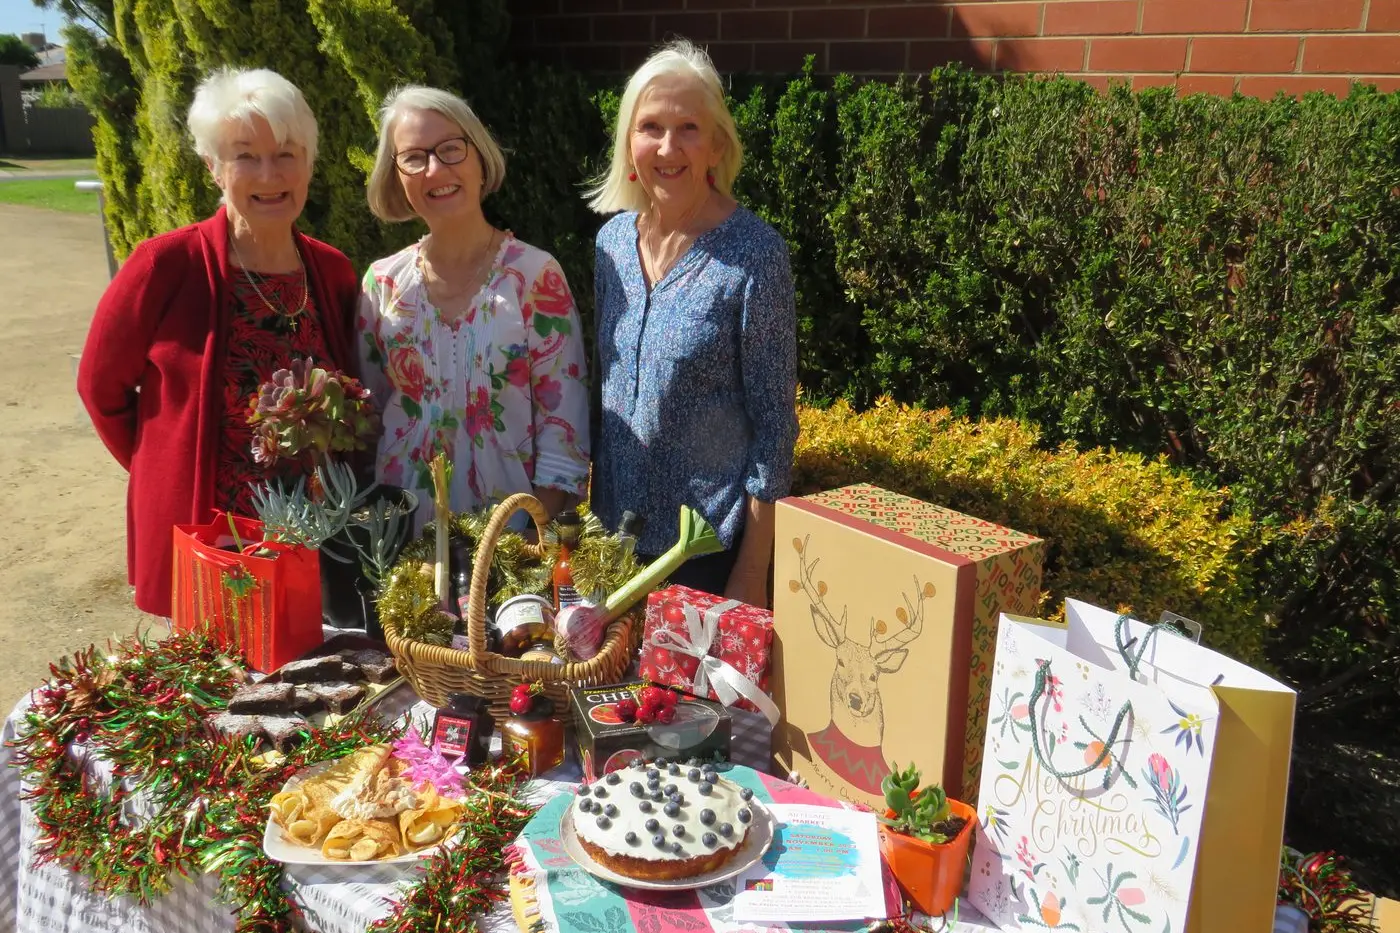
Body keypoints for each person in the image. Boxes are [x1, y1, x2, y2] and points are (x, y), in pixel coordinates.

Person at [77, 68, 360, 619]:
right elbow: (99, 387)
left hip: (314, 541)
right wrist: (164, 464)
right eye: (244, 155)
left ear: (309, 162)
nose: (268, 173)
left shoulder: (332, 272)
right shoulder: (164, 265)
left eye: (285, 153)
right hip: (211, 542)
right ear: (213, 167)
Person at [587, 41, 799, 607]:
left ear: (716, 145)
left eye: (687, 127)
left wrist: (751, 574)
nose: (667, 146)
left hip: (703, 558)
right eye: (650, 126)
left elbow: (774, 428)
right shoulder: (611, 245)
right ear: (629, 144)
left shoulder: (754, 254)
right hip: (609, 547)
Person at [359, 86, 589, 528]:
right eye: (413, 158)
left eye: (450, 149)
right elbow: (368, 428)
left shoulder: (534, 278)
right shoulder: (381, 285)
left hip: (511, 546)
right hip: (400, 549)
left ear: (479, 158)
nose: (434, 169)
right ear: (396, 176)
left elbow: (565, 434)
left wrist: (529, 548)